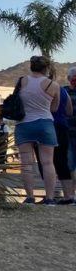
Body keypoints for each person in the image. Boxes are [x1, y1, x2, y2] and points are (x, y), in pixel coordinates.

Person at [14, 56, 60, 205]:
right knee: (47, 162)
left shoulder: (21, 81)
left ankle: (30, 197)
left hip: (24, 124)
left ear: (31, 66)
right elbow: (54, 108)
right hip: (45, 124)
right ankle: (50, 198)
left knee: (26, 163)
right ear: (46, 68)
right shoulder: (53, 85)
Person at [49, 67, 73, 202]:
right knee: (63, 161)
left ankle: (49, 196)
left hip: (48, 126)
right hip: (63, 127)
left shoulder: (43, 89)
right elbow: (69, 111)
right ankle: (69, 196)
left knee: (47, 162)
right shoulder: (63, 90)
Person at [61, 66, 76, 204]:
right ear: (68, 79)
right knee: (70, 164)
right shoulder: (63, 91)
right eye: (73, 78)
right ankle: (71, 194)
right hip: (67, 132)